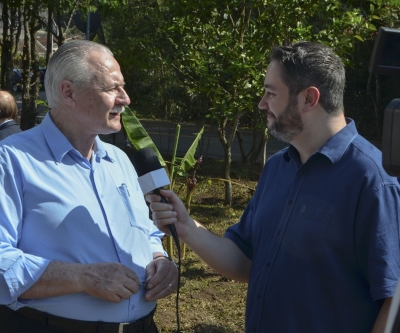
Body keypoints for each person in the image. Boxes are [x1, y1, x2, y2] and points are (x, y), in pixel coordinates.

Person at [146, 41, 400, 333]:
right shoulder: (278, 167)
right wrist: (187, 227)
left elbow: (393, 300)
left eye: (271, 93)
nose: (262, 104)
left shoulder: (373, 180)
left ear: (309, 98)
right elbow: (245, 261)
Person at [0, 40, 178, 333]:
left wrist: (160, 260)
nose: (126, 98)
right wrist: (81, 277)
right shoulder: (11, 160)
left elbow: (144, 232)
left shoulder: (119, 160)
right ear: (68, 92)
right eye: (112, 88)